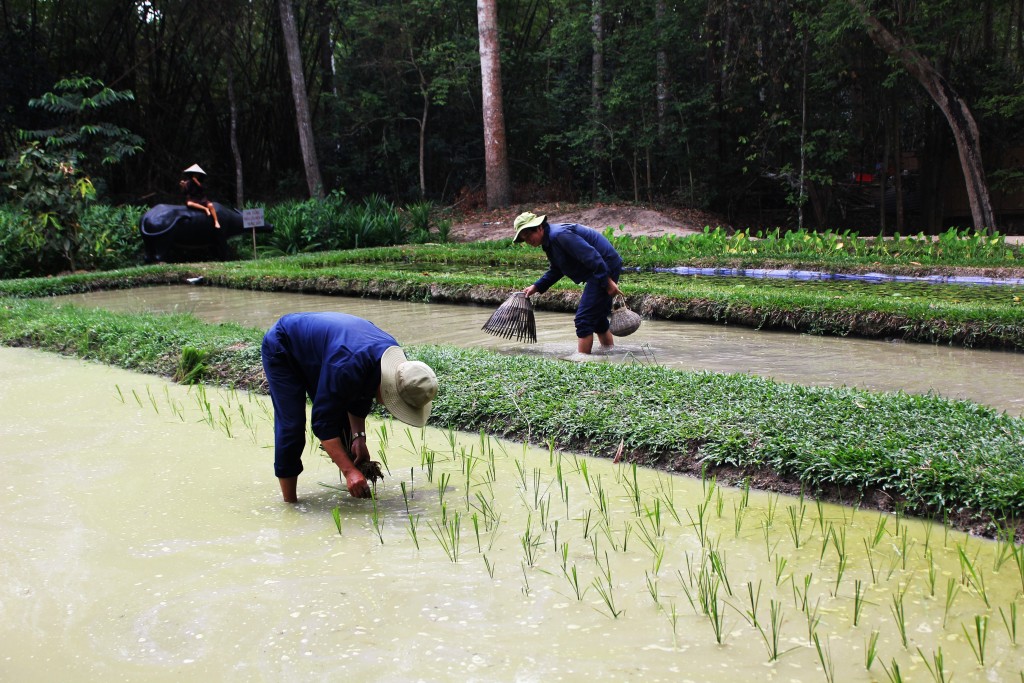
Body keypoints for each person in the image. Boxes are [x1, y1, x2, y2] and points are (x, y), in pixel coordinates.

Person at [261, 312, 438, 502]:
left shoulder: (401, 369)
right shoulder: (347, 366)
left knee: (343, 428)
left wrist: (358, 438)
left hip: (327, 352)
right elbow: (322, 423)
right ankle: (290, 503)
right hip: (285, 346)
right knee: (292, 427)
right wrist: (349, 471)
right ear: (388, 387)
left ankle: (354, 483)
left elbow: (361, 392)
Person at [514, 211, 623, 354]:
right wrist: (536, 286)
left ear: (539, 227)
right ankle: (609, 354)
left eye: (528, 235)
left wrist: (606, 281)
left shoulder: (559, 235)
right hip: (597, 268)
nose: (528, 241)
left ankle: (583, 362)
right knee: (597, 319)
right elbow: (558, 269)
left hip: (603, 266)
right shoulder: (550, 241)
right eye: (524, 239)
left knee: (583, 319)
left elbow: (591, 256)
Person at [179, 163, 220, 228]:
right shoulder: (188, 182)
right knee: (189, 204)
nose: (196, 175)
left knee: (211, 205)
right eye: (194, 174)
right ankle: (205, 209)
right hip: (193, 199)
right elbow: (185, 192)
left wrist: (197, 182)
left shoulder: (202, 181)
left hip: (202, 199)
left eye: (197, 174)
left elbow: (203, 189)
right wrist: (183, 186)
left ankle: (216, 221)